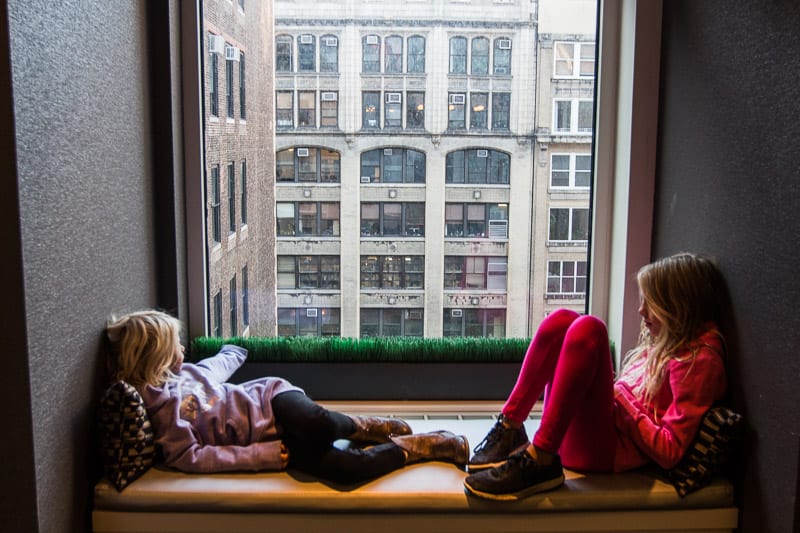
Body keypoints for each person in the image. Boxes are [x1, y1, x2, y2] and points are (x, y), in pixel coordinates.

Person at [464, 252, 728, 501]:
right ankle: (510, 427)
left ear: (678, 308)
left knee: (590, 329)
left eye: (652, 303)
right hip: (594, 434)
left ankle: (541, 459)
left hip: (605, 453)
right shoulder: (669, 344)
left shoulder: (698, 362)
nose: (641, 311)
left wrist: (621, 398)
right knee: (561, 320)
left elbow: (670, 452)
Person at [105, 310, 469, 485]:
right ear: (155, 357)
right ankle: (424, 446)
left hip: (272, 399)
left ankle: (363, 426)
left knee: (319, 424)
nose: (183, 349)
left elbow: (220, 365)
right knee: (345, 472)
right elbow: (192, 457)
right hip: (272, 440)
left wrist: (236, 347)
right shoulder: (162, 410)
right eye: (175, 346)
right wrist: (258, 456)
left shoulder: (189, 373)